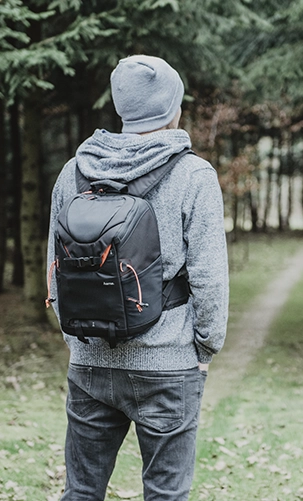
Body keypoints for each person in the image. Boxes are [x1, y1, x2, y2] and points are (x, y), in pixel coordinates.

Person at [47, 54, 229, 501]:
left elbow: (57, 270)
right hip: (168, 363)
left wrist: (78, 340)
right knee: (166, 495)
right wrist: (205, 346)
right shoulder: (193, 174)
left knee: (82, 492)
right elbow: (209, 276)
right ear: (173, 109)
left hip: (89, 361)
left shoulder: (74, 171)